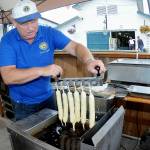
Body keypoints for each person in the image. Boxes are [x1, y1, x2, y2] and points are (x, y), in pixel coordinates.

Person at [0, 0, 105, 120]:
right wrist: (42, 70)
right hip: (24, 102)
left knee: (54, 130)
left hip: (48, 95)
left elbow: (75, 47)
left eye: (33, 21)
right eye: (24, 23)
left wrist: (89, 60)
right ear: (14, 22)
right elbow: (8, 76)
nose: (30, 28)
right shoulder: (7, 41)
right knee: (28, 137)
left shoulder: (49, 33)